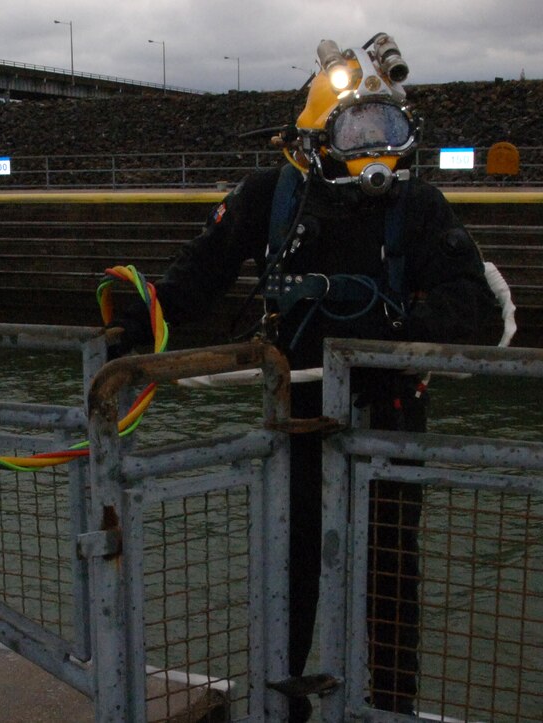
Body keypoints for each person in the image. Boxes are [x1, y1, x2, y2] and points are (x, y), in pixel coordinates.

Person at [108, 33, 500, 720]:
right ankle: (282, 705)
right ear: (316, 138)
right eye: (357, 128)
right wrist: (136, 319)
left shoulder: (421, 207)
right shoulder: (270, 197)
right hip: (295, 423)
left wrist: (397, 334)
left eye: (387, 127)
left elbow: (475, 304)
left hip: (389, 425)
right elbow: (196, 282)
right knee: (288, 576)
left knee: (390, 582)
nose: (375, 146)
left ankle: (389, 708)